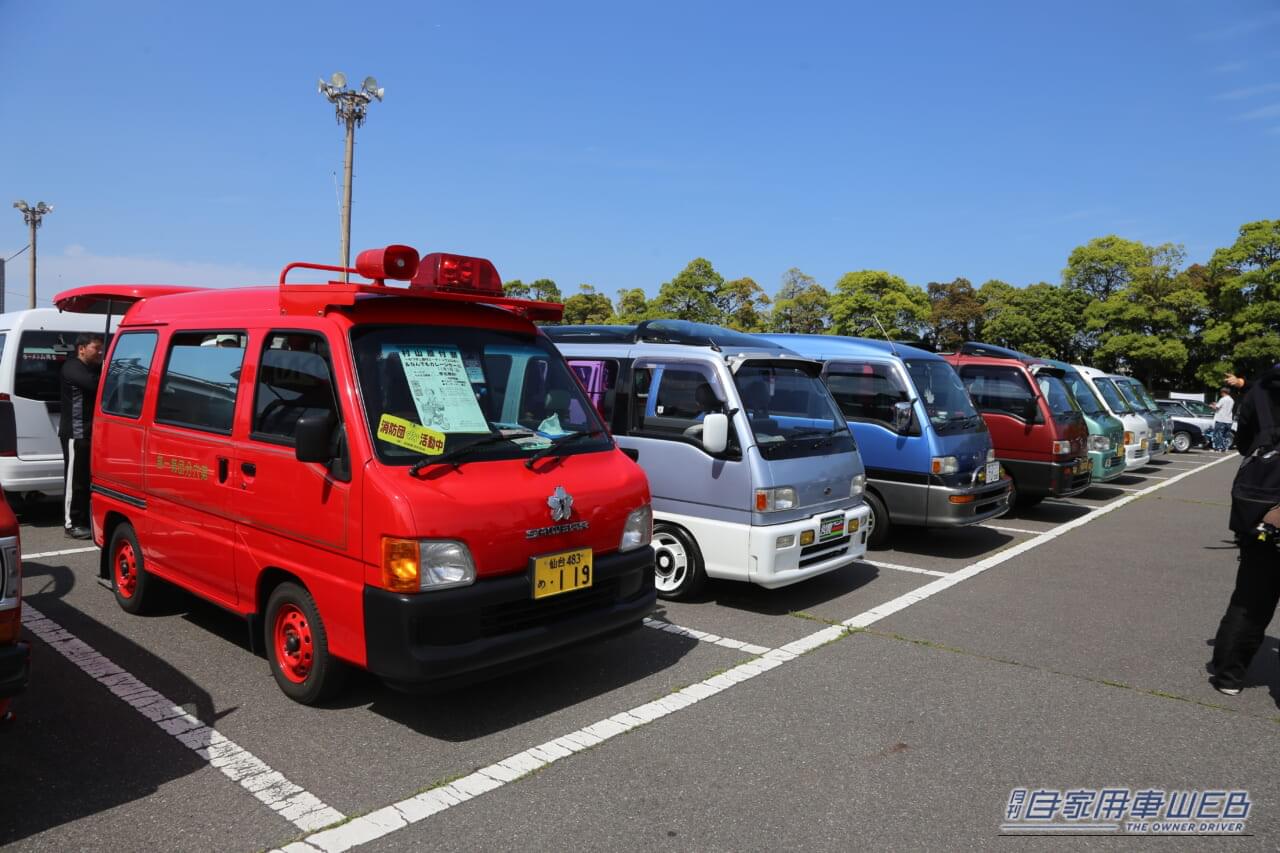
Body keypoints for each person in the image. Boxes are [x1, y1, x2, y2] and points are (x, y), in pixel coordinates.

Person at [1210, 363, 1280, 695]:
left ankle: (1228, 676)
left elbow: (1243, 444)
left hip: (1263, 503)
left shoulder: (1260, 390)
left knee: (1251, 596)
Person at [60, 333, 104, 539]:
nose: (100, 352)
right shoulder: (72, 368)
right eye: (96, 348)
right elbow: (97, 386)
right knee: (75, 480)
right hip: (76, 433)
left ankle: (84, 518)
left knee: (86, 479)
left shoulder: (92, 368)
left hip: (91, 432)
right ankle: (71, 523)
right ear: (82, 349)